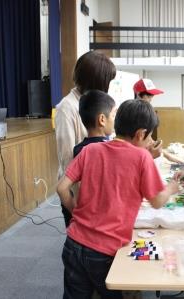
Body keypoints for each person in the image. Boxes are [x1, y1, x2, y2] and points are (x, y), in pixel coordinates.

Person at [57, 99, 179, 299]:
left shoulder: (90, 150)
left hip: (73, 242)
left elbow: (61, 188)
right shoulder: (142, 158)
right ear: (140, 134)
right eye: (149, 137)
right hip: (105, 252)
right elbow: (157, 201)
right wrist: (172, 188)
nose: (150, 142)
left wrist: (76, 213)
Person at [55, 51, 116, 226]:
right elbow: (67, 158)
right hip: (78, 191)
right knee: (79, 239)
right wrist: (77, 209)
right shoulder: (67, 108)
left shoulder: (94, 102)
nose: (108, 86)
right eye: (107, 81)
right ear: (96, 80)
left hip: (96, 189)